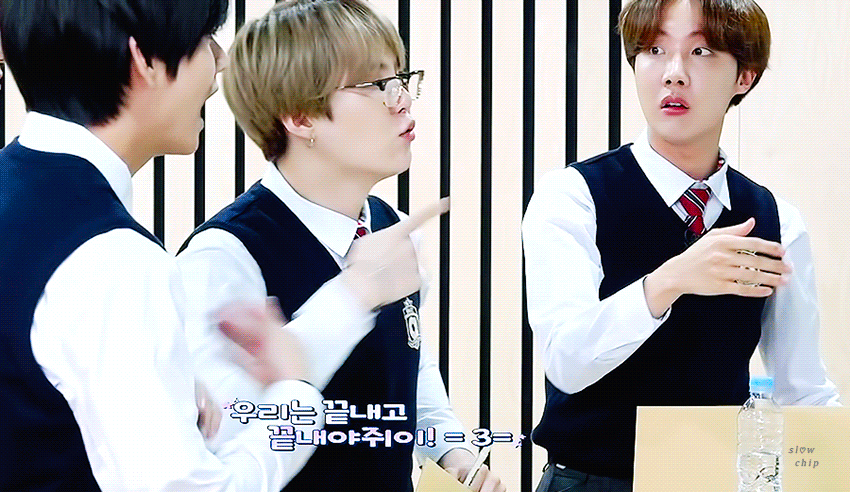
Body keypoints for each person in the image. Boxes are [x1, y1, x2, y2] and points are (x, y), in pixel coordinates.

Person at [0, 0, 420, 489]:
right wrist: (296, 392)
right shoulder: (113, 256)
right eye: (204, 39)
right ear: (144, 61)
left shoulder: (22, 197)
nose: (221, 61)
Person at [176, 1, 505, 491]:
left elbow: (410, 370)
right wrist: (349, 300)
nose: (402, 100)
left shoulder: (392, 230)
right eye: (376, 84)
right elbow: (221, 442)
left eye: (401, 78)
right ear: (300, 117)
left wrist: (453, 454)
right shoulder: (225, 256)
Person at [522, 0, 841, 490]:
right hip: (591, 481)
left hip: (714, 480)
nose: (673, 73)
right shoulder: (573, 195)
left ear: (744, 76)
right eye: (654, 50)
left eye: (701, 51)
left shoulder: (775, 220)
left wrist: (835, 463)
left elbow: (802, 389)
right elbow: (566, 362)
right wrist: (669, 280)